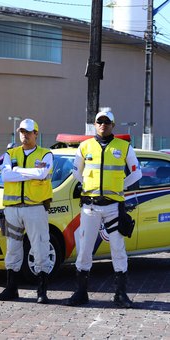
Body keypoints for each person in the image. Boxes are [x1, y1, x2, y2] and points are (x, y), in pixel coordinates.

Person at [67, 109, 142, 308]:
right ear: (95, 123)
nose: (103, 124)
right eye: (99, 121)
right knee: (84, 249)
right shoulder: (85, 146)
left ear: (113, 125)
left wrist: (120, 186)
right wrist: (89, 186)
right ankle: (81, 293)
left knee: (118, 248)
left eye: (107, 122)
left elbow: (137, 173)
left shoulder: (124, 147)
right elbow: (76, 171)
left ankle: (120, 293)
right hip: (90, 206)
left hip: (113, 206)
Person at [0, 118, 53, 304]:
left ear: (36, 133)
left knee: (40, 247)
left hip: (35, 208)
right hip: (12, 209)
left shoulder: (46, 154)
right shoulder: (9, 153)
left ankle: (42, 290)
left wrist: (17, 172)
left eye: (28, 132)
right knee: (12, 249)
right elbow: (5, 175)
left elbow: (42, 174)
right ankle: (11, 288)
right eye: (22, 131)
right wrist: (29, 172)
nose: (25, 135)